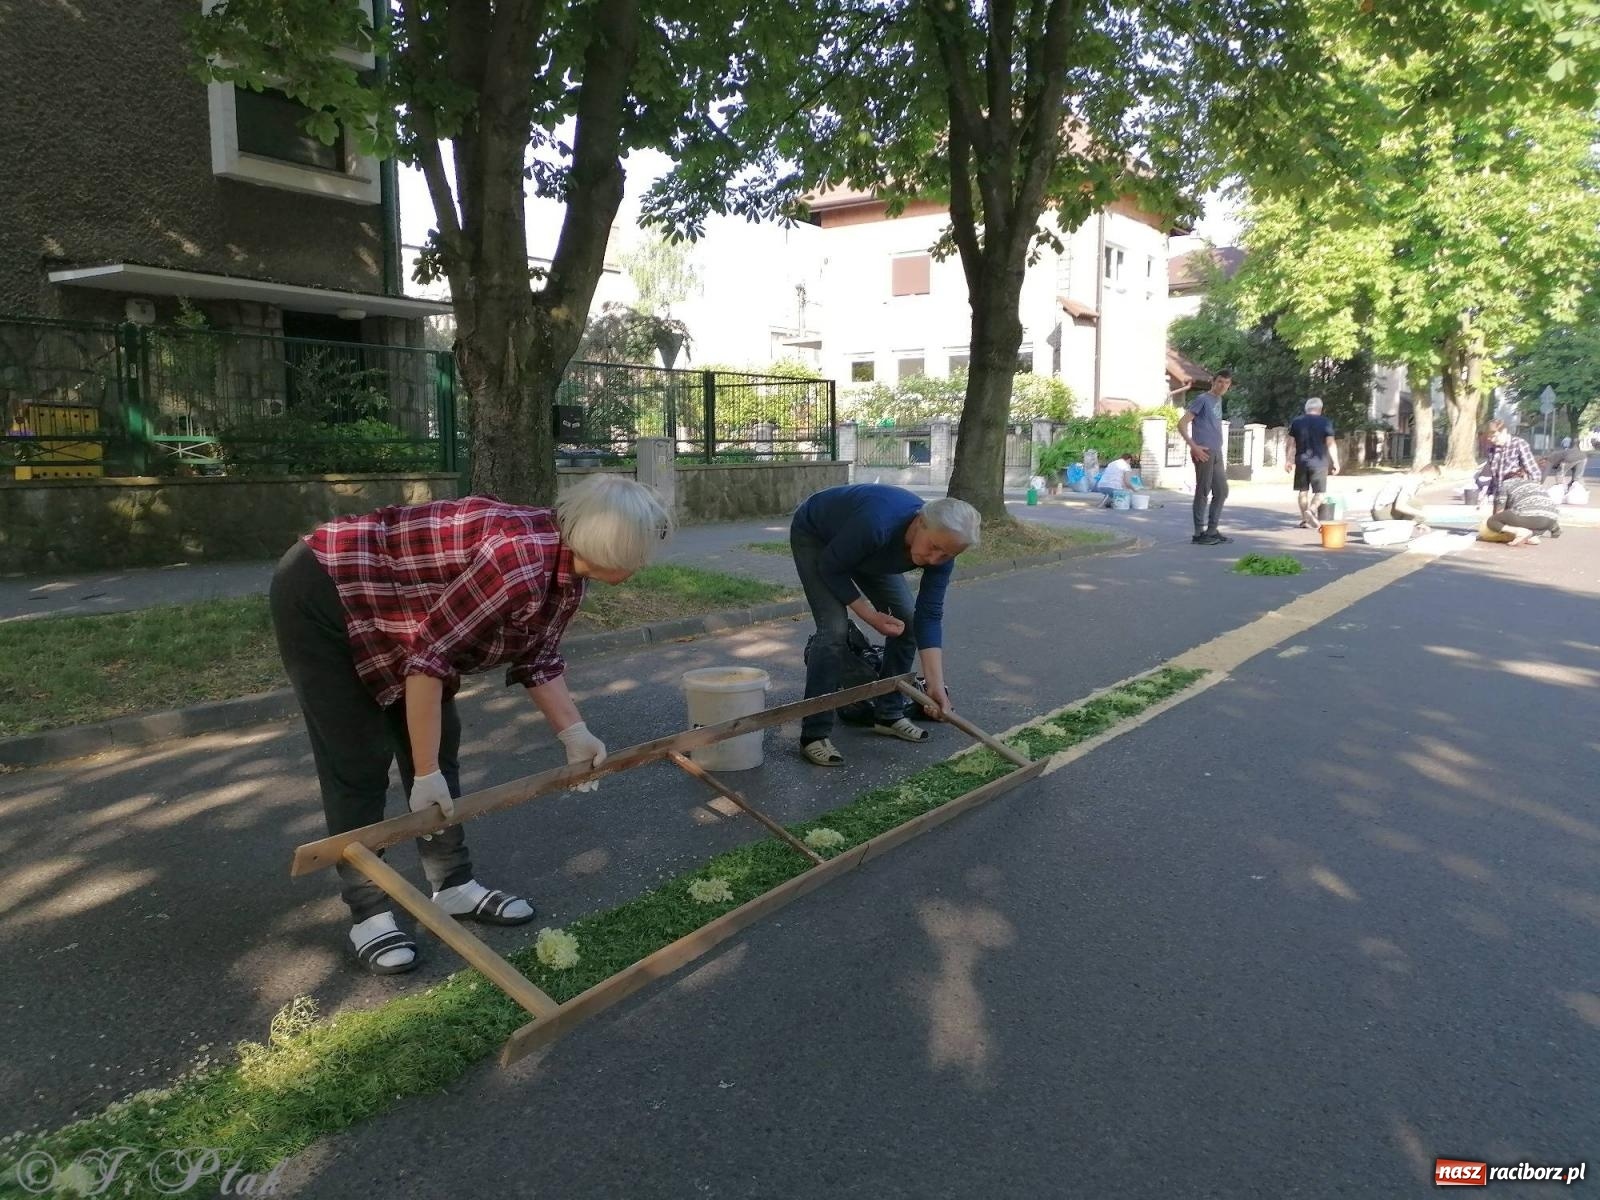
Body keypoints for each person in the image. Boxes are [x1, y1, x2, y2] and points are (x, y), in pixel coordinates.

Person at [268, 476, 673, 976]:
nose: (641, 565)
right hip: (328, 590)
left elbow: (538, 657)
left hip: (397, 608)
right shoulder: (517, 562)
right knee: (357, 759)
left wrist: (574, 733)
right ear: (610, 545)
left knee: (440, 745)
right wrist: (424, 773)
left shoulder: (568, 570)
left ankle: (452, 884)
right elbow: (429, 661)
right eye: (636, 553)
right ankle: (368, 914)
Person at [790, 484, 980, 767]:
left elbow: (928, 615)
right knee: (834, 630)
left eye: (946, 555)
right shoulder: (876, 524)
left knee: (908, 622)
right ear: (920, 522)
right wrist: (870, 615)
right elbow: (831, 566)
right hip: (818, 537)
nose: (934, 560)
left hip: (864, 548)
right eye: (934, 548)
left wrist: (935, 685)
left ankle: (888, 713)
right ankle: (814, 734)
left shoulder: (943, 550)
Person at [1178, 368, 1232, 544]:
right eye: (1220, 382)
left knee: (1222, 491)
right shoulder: (1202, 399)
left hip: (1217, 451)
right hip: (1204, 452)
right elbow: (1182, 423)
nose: (1223, 385)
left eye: (1226, 383)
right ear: (1213, 382)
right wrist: (1194, 447)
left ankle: (1212, 530)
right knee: (1203, 491)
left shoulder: (1218, 400)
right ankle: (1198, 533)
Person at [1285, 396, 1339, 529]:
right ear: (1320, 409)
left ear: (1306, 409)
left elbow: (1290, 443)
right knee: (1320, 492)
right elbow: (1330, 443)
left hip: (1301, 461)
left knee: (1302, 491)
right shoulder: (1325, 422)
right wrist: (1336, 462)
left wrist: (1288, 460)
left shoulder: (1297, 422)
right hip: (1319, 462)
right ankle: (1312, 509)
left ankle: (1304, 519)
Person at [1482, 419, 1540, 509]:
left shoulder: (1519, 444)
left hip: (1517, 495)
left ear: (1504, 431)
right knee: (1495, 522)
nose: (1492, 440)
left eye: (1494, 436)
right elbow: (1495, 477)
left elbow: (1534, 472)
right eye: (1490, 438)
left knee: (1515, 521)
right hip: (1499, 496)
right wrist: (1487, 494)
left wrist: (1532, 494)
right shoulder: (1491, 450)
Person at [1487, 477, 1563, 546]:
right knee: (1538, 515)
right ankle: (1533, 536)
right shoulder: (1534, 483)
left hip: (1527, 514)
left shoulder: (1504, 484)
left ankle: (1520, 532)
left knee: (1492, 521)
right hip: (1551, 517)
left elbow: (1499, 512)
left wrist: (1497, 528)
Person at [1370, 463, 1441, 529]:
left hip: (1380, 510)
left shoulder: (1411, 479)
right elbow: (1399, 506)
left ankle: (1400, 527)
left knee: (1413, 503)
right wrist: (1421, 514)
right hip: (1382, 513)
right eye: (1434, 479)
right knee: (1417, 503)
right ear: (1426, 475)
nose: (1434, 482)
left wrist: (1418, 522)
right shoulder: (1412, 482)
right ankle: (1401, 528)